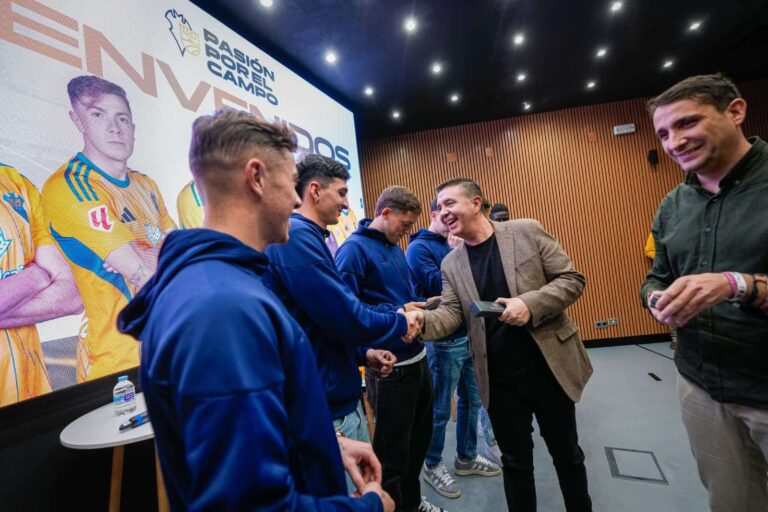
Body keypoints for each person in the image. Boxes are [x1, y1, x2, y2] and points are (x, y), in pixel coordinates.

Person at [117, 109, 393, 512]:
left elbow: (254, 431)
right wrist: (369, 507)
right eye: (289, 182)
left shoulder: (223, 287)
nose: (298, 199)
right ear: (257, 177)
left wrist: (326, 445)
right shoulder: (222, 309)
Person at [420, 178, 593, 512]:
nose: (443, 212)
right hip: (498, 379)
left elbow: (572, 280)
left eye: (449, 203)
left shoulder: (526, 231)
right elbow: (451, 315)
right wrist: (416, 324)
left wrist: (529, 304)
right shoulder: (451, 263)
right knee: (515, 463)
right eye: (439, 207)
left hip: (548, 367)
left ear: (476, 202)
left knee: (567, 455)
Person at [641, 73, 768, 512]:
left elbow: (734, 285)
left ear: (735, 112)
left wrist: (739, 284)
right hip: (700, 384)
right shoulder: (673, 204)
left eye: (686, 123)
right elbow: (655, 278)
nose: (673, 142)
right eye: (663, 133)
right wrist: (657, 301)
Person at [265, 154, 419, 450]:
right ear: (314, 191)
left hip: (336, 397)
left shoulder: (309, 236)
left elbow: (323, 322)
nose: (347, 204)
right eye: (342, 193)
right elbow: (343, 315)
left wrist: (362, 353)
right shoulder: (297, 237)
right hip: (327, 409)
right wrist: (400, 321)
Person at [41, 75, 176, 382]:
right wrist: (150, 253)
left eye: (122, 118)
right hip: (118, 364)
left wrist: (145, 245)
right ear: (78, 121)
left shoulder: (145, 185)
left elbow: (170, 244)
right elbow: (144, 276)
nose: (114, 128)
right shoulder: (70, 186)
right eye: (98, 114)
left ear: (133, 127)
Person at [336, 186, 445, 512]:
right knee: (393, 456)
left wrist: (415, 305)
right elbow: (346, 311)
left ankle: (410, 503)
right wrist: (393, 313)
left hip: (419, 359)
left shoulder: (395, 248)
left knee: (417, 445)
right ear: (385, 213)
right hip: (390, 369)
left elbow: (393, 301)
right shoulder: (353, 251)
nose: (407, 231)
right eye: (405, 223)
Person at [406, 198, 500, 499]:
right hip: (443, 340)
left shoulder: (455, 244)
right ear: (434, 215)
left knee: (472, 402)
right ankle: (432, 464)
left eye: (453, 213)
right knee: (439, 409)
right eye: (443, 214)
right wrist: (459, 251)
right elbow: (443, 287)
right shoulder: (419, 248)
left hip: (470, 335)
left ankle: (466, 457)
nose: (450, 219)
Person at [0, 163, 82, 406]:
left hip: (31, 399)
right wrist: (33, 277)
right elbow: (50, 277)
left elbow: (71, 295)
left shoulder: (16, 182)